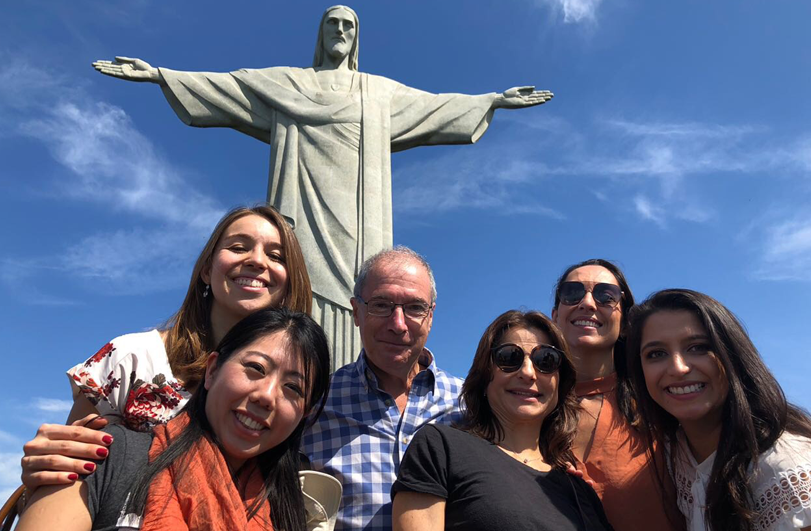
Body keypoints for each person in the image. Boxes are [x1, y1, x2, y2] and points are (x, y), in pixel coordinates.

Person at [91, 5, 554, 369]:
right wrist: (160, 75)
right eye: (331, 24)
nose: (339, 31)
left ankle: (348, 381)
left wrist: (491, 100)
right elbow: (230, 87)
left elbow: (435, 107)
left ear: (356, 40)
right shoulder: (288, 84)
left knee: (365, 294)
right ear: (321, 34)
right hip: (299, 210)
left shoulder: (378, 93)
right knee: (294, 286)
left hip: (360, 220)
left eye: (348, 26)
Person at [20, 205, 312, 487]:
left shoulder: (293, 392)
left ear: (289, 285)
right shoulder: (132, 358)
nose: (256, 261)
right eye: (238, 248)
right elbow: (65, 472)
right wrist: (46, 472)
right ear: (207, 271)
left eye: (276, 256)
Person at [15, 307, 334, 531]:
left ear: (305, 411)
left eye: (293, 387)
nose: (266, 395)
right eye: (255, 368)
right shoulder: (105, 455)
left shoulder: (295, 511)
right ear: (212, 370)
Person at [391, 310, 614, 530]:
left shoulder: (578, 488)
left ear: (560, 382)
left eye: (546, 360)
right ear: (485, 375)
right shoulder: (440, 447)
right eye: (509, 358)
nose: (528, 373)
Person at [301, 246, 464, 530]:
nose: (398, 324)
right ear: (356, 311)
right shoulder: (313, 403)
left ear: (431, 315)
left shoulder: (469, 405)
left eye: (414, 307)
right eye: (381, 305)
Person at [626, 289, 811, 531]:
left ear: (732, 355)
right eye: (656, 354)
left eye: (698, 347)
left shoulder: (783, 471)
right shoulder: (677, 454)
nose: (678, 368)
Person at [551, 259, 681, 530]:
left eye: (606, 296)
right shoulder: (527, 405)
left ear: (624, 323)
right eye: (572, 293)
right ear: (555, 315)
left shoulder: (658, 400)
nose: (587, 303)